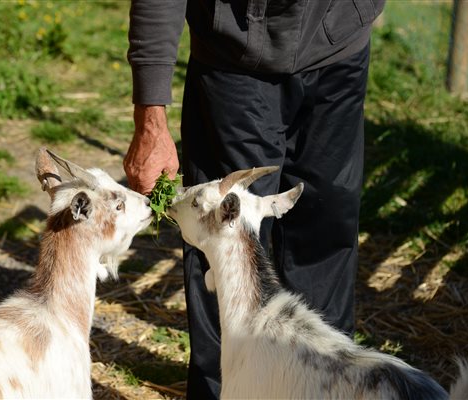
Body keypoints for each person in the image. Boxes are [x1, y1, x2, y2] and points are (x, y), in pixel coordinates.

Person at [124, 1, 386, 398]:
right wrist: (150, 118)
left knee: (325, 228)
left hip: (338, 41)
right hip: (235, 56)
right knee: (224, 237)